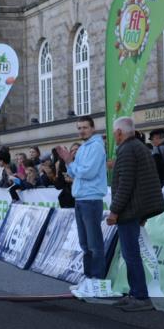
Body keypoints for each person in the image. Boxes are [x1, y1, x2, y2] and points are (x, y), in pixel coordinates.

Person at [107, 117, 164, 312]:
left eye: (114, 132)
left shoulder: (126, 150)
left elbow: (125, 185)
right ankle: (135, 292)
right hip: (138, 208)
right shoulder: (138, 147)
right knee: (131, 253)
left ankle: (140, 296)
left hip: (129, 210)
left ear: (119, 132)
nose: (113, 136)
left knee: (130, 254)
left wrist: (114, 211)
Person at [56, 117, 108, 287]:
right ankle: (88, 278)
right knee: (85, 243)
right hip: (81, 198)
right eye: (79, 128)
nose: (81, 131)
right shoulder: (85, 147)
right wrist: (68, 162)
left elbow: (88, 172)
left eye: (85, 127)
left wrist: (70, 162)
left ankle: (97, 279)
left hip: (91, 199)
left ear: (93, 128)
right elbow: (74, 172)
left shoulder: (96, 146)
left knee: (94, 243)